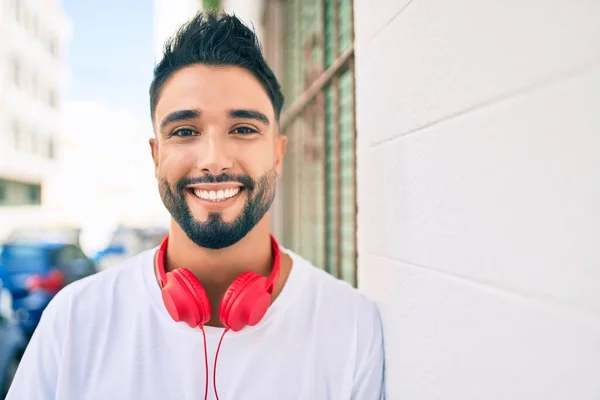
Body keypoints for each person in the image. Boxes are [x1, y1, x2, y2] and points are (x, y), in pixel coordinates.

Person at [7, 12, 385, 400]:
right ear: (156, 156)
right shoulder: (73, 321)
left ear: (277, 153)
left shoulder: (352, 326)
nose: (214, 160)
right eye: (185, 132)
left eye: (243, 129)